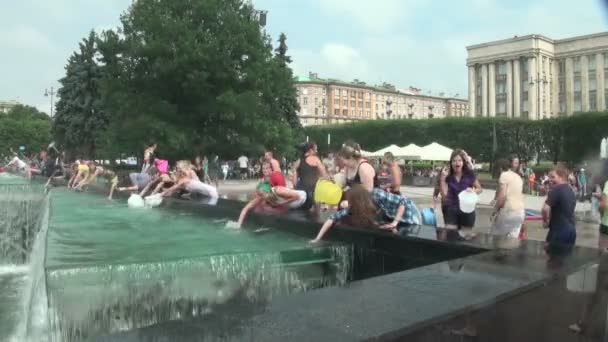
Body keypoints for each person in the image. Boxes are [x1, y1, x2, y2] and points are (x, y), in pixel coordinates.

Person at [311, 184, 421, 242]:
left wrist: (395, 222)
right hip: (396, 216)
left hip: (410, 213)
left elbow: (404, 201)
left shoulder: (377, 194)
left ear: (358, 199)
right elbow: (332, 218)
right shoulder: (355, 207)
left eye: (351, 200)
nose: (349, 203)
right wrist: (317, 238)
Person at [440, 149, 482, 237]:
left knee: (465, 238)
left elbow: (479, 189)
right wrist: (443, 178)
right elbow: (444, 196)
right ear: (451, 163)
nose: (457, 163)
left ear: (463, 162)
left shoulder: (469, 174)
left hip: (467, 210)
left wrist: (473, 191)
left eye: (459, 160)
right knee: (451, 236)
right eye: (454, 161)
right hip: (452, 210)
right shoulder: (447, 176)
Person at [234, 161, 287, 227]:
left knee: (265, 206)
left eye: (267, 168)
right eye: (263, 168)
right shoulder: (262, 180)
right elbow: (257, 192)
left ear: (271, 169)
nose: (265, 170)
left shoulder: (275, 176)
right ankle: (238, 225)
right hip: (261, 198)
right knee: (246, 208)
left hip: (272, 199)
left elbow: (282, 191)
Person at [542, 165, 577, 246]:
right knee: (566, 256)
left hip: (559, 230)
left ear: (561, 177)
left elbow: (545, 209)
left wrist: (546, 221)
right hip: (571, 231)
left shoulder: (556, 189)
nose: (550, 180)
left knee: (553, 256)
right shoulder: (570, 190)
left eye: (553, 177)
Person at [491, 158, 525, 238]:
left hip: (508, 211)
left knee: (496, 239)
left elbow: (502, 196)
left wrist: (495, 211)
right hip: (520, 212)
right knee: (511, 242)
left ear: (500, 168)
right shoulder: (518, 177)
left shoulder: (504, 175)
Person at [291, 142, 327, 209]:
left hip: (301, 190)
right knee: (314, 215)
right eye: (315, 149)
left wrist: (295, 188)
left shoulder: (298, 161)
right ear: (310, 150)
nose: (317, 151)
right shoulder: (315, 159)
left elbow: (294, 182)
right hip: (313, 191)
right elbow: (324, 174)